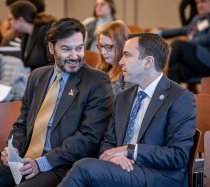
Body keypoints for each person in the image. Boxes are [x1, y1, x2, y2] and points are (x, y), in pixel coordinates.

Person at [0, 17, 114, 187]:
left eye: (79, 48)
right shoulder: (37, 76)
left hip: (60, 166)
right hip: (23, 161)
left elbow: (88, 138)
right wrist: (13, 150)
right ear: (51, 48)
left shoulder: (97, 81)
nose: (74, 56)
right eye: (66, 49)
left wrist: (41, 163)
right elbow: (21, 124)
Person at [58, 33, 196, 187]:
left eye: (127, 55)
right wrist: (113, 157)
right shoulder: (123, 97)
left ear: (148, 62)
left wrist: (130, 150)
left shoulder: (180, 97)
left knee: (83, 168)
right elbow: (108, 142)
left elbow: (178, 156)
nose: (121, 62)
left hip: (159, 176)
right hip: (124, 171)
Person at [159, 0, 210, 83]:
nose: (200, 5)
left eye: (203, 1)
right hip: (195, 62)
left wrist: (188, 41)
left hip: (206, 61)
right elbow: (181, 30)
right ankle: (169, 95)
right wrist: (159, 33)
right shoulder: (197, 19)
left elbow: (208, 38)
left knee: (178, 44)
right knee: (175, 69)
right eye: (197, 2)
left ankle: (160, 73)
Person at [8, 1, 56, 71]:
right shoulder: (26, 34)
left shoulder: (45, 31)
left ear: (20, 20)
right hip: (33, 79)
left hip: (45, 79)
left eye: (10, 19)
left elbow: (54, 62)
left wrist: (35, 74)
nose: (8, 22)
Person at [95, 20, 132, 94]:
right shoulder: (104, 69)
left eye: (108, 46)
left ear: (122, 45)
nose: (103, 52)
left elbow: (122, 103)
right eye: (101, 46)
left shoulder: (130, 74)